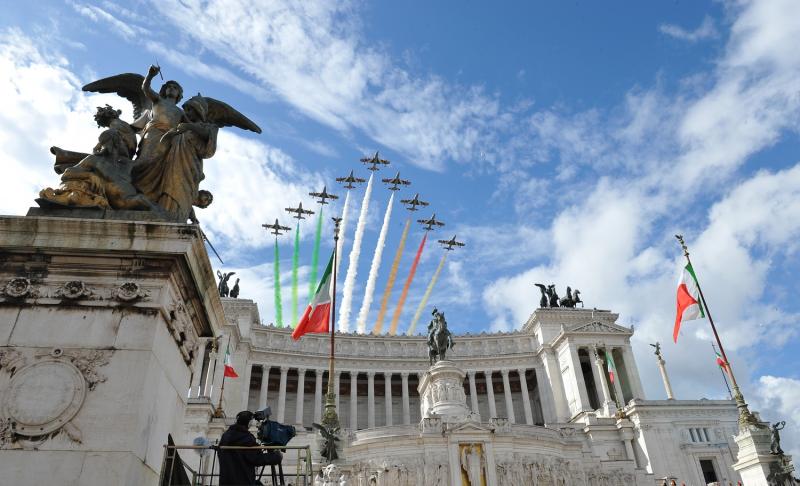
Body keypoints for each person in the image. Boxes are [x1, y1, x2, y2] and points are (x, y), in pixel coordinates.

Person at [218, 411, 281, 486]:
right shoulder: (246, 438)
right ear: (248, 423)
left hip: (225, 481)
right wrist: (276, 456)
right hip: (243, 481)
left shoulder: (225, 436)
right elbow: (256, 458)